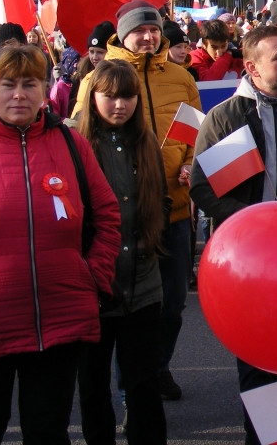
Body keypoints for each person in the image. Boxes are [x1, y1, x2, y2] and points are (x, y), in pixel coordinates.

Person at [0, 45, 120, 445]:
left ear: (45, 90)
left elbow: (106, 214)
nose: (19, 94)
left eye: (30, 84)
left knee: (48, 432)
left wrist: (92, 276)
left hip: (59, 318)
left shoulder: (70, 143)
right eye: (8, 84)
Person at [190, 25, 277, 445]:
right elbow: (204, 188)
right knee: (259, 367)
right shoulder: (226, 117)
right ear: (252, 68)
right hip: (251, 265)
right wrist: (256, 225)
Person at [74, 0, 201, 403]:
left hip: (174, 208)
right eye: (139, 31)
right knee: (123, 305)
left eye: (154, 30)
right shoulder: (98, 78)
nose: (148, 37)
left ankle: (156, 367)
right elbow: (80, 137)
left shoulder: (182, 77)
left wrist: (190, 163)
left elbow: (195, 131)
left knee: (172, 302)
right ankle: (132, 381)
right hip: (120, 218)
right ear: (122, 35)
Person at [75, 59, 167, 445]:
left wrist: (153, 241)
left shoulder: (146, 141)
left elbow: (161, 200)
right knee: (93, 386)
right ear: (92, 96)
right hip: (92, 286)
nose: (119, 105)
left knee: (144, 384)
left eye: (128, 96)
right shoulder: (74, 144)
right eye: (110, 96)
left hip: (143, 283)